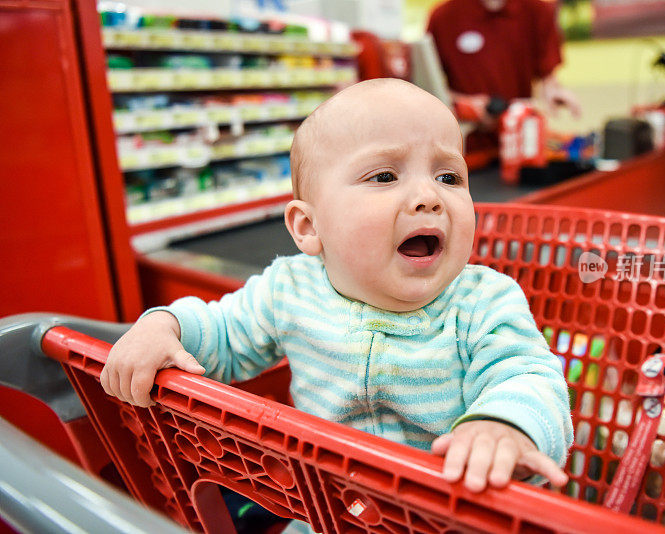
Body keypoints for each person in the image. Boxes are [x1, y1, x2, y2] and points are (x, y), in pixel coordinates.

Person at [100, 79, 573, 531]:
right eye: (385, 175)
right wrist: (165, 326)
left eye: (449, 176)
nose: (429, 197)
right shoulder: (289, 289)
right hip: (324, 512)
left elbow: (529, 375)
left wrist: (502, 427)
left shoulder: (483, 301)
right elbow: (222, 333)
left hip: (454, 514)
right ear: (309, 227)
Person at [426, 0, 580, 148]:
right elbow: (429, 88)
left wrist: (555, 91)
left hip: (521, 142)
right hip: (467, 147)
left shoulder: (538, 11)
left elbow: (547, 77)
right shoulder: (444, 17)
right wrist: (468, 106)